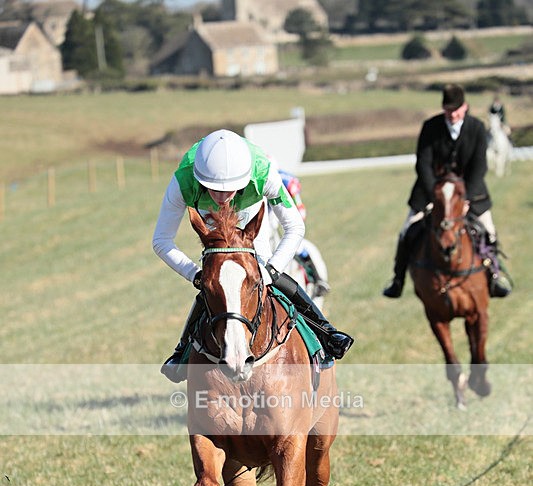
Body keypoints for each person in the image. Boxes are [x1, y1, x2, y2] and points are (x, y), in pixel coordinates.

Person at [153, 129, 353, 383]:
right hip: (211, 226)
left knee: (260, 273)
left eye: (230, 190)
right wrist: (196, 275)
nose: (223, 198)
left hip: (251, 213)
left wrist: (271, 270)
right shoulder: (183, 180)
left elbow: (294, 227)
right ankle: (182, 350)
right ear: (200, 179)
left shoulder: (263, 173)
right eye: (215, 190)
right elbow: (161, 240)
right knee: (217, 286)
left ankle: (326, 333)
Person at [382, 84, 512, 300]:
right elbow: (423, 164)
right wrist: (436, 197)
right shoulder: (430, 127)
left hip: (470, 193)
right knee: (406, 231)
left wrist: (467, 198)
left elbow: (479, 166)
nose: (452, 115)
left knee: (489, 230)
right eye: (448, 111)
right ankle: (397, 280)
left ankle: (495, 276)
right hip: (430, 192)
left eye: (456, 111)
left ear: (465, 107)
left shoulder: (477, 128)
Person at [272, 167, 330, 300]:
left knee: (297, 245)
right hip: (267, 219)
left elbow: (299, 211)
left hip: (285, 214)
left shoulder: (285, 181)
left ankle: (318, 279)